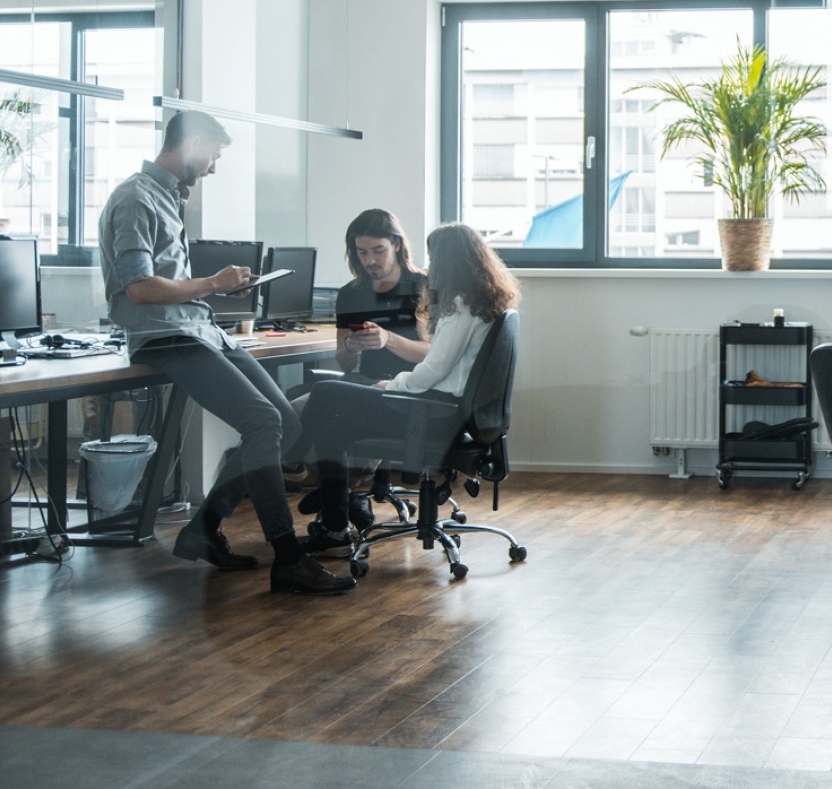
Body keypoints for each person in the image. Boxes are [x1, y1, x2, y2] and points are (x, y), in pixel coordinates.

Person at [97, 109, 355, 596]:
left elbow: (170, 284)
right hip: (165, 337)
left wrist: (216, 292)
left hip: (200, 329)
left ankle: (203, 528)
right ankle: (287, 556)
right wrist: (213, 283)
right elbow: (139, 289)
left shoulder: (167, 197)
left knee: (287, 421)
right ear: (192, 144)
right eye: (212, 156)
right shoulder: (135, 199)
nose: (213, 167)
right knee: (263, 421)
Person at [292, 223, 521, 555]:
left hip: (435, 414)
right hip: (452, 414)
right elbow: (445, 371)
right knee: (334, 427)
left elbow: (433, 369)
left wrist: (392, 385)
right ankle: (336, 528)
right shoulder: (487, 302)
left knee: (326, 391)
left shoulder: (461, 304)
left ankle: (293, 461)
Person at [335, 209, 429, 381]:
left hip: (410, 385)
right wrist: (349, 347)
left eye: (379, 251)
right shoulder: (350, 294)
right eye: (362, 252)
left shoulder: (424, 287)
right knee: (306, 399)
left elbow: (432, 354)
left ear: (396, 245)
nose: (370, 261)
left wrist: (388, 339)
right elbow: (346, 365)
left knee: (319, 395)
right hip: (369, 382)